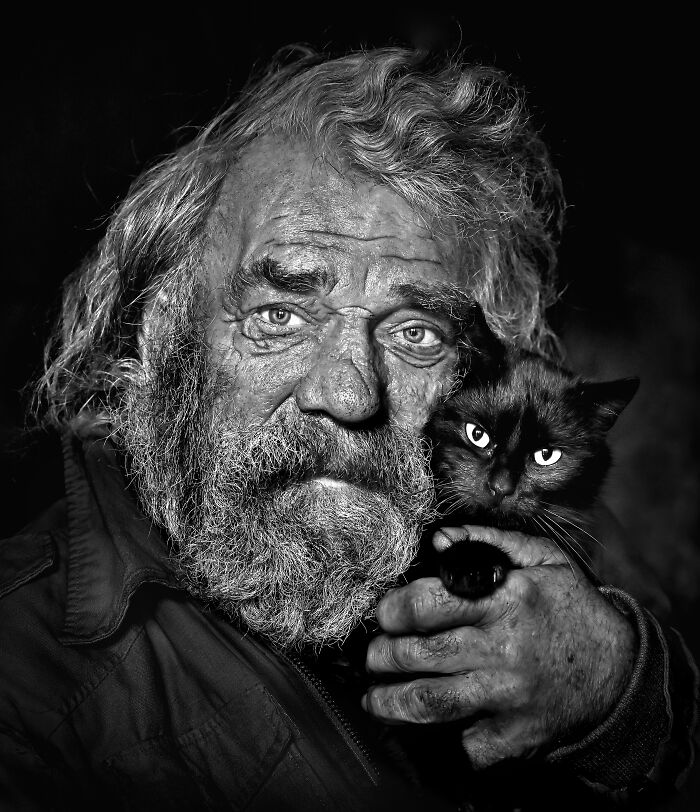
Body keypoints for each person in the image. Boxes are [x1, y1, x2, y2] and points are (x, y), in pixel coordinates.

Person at [0, 47, 696, 811]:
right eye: (280, 316)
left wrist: (622, 691)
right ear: (157, 331)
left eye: (417, 335)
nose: (348, 392)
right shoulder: (25, 686)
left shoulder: (500, 555)